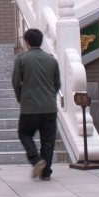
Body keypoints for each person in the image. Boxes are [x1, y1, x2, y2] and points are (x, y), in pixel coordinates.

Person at [11, 28, 61, 181]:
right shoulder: (51, 60)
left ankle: (36, 159)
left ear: (27, 42)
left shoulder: (22, 59)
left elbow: (16, 82)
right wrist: (50, 96)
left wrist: (21, 98)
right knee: (48, 140)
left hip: (30, 107)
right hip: (49, 107)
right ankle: (46, 173)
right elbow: (57, 83)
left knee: (24, 134)